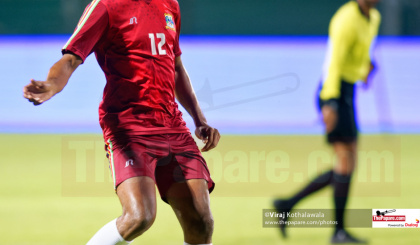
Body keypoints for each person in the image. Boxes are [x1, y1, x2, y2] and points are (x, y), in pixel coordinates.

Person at [23, 0, 220, 244]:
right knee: (139, 217)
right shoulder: (105, 6)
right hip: (129, 126)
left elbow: (175, 66)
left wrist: (199, 119)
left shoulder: (170, 5)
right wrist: (52, 83)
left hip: (172, 125)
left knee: (201, 221)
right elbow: (71, 59)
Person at [274, 0, 381, 243]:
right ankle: (337, 232)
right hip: (333, 92)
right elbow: (333, 63)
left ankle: (287, 205)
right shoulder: (345, 19)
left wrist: (366, 67)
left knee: (347, 163)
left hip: (347, 91)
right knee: (346, 161)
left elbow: (360, 54)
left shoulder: (373, 18)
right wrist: (330, 103)